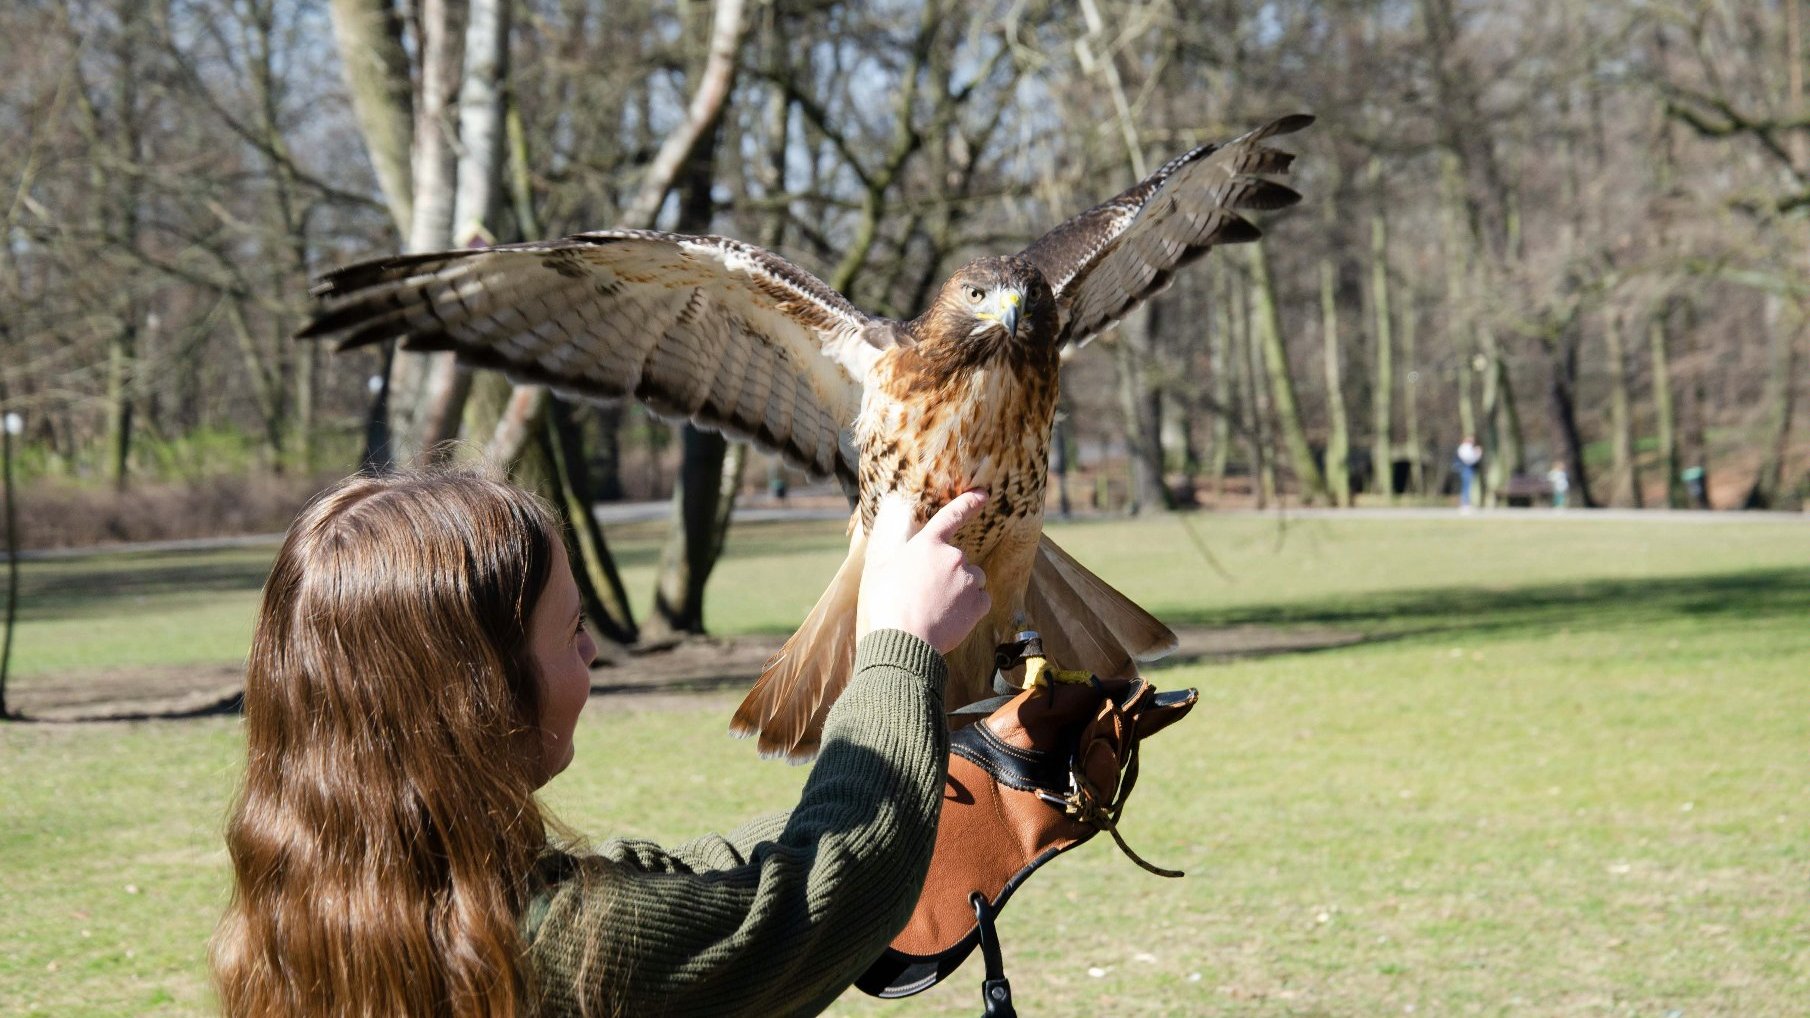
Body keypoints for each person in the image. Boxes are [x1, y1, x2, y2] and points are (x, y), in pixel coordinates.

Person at [211, 470, 993, 1017]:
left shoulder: (314, 917)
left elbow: (655, 880)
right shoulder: (571, 949)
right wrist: (899, 644)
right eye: (572, 630)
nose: (590, 655)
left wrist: (936, 767)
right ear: (477, 697)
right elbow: (833, 894)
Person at [1455, 435, 1483, 510]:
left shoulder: (1469, 447)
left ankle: (1467, 502)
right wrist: (1477, 454)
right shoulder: (1465, 447)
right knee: (1466, 485)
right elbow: (1469, 459)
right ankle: (1465, 503)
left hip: (1469, 468)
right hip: (1466, 467)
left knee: (1468, 485)